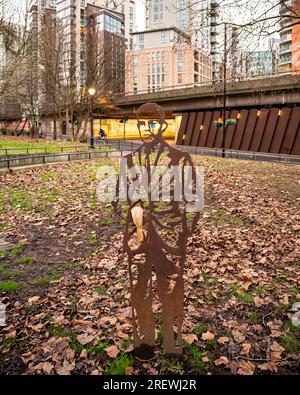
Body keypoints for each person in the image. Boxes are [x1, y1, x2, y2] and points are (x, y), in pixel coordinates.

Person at [112, 103, 202, 356]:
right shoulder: (128, 161)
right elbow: (117, 200)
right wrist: (133, 215)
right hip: (139, 237)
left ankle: (171, 343)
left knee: (170, 289)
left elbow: (195, 200)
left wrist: (185, 231)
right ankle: (144, 342)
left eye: (151, 124)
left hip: (171, 237)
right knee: (139, 290)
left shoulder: (180, 159)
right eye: (141, 124)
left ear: (162, 125)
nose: (146, 129)